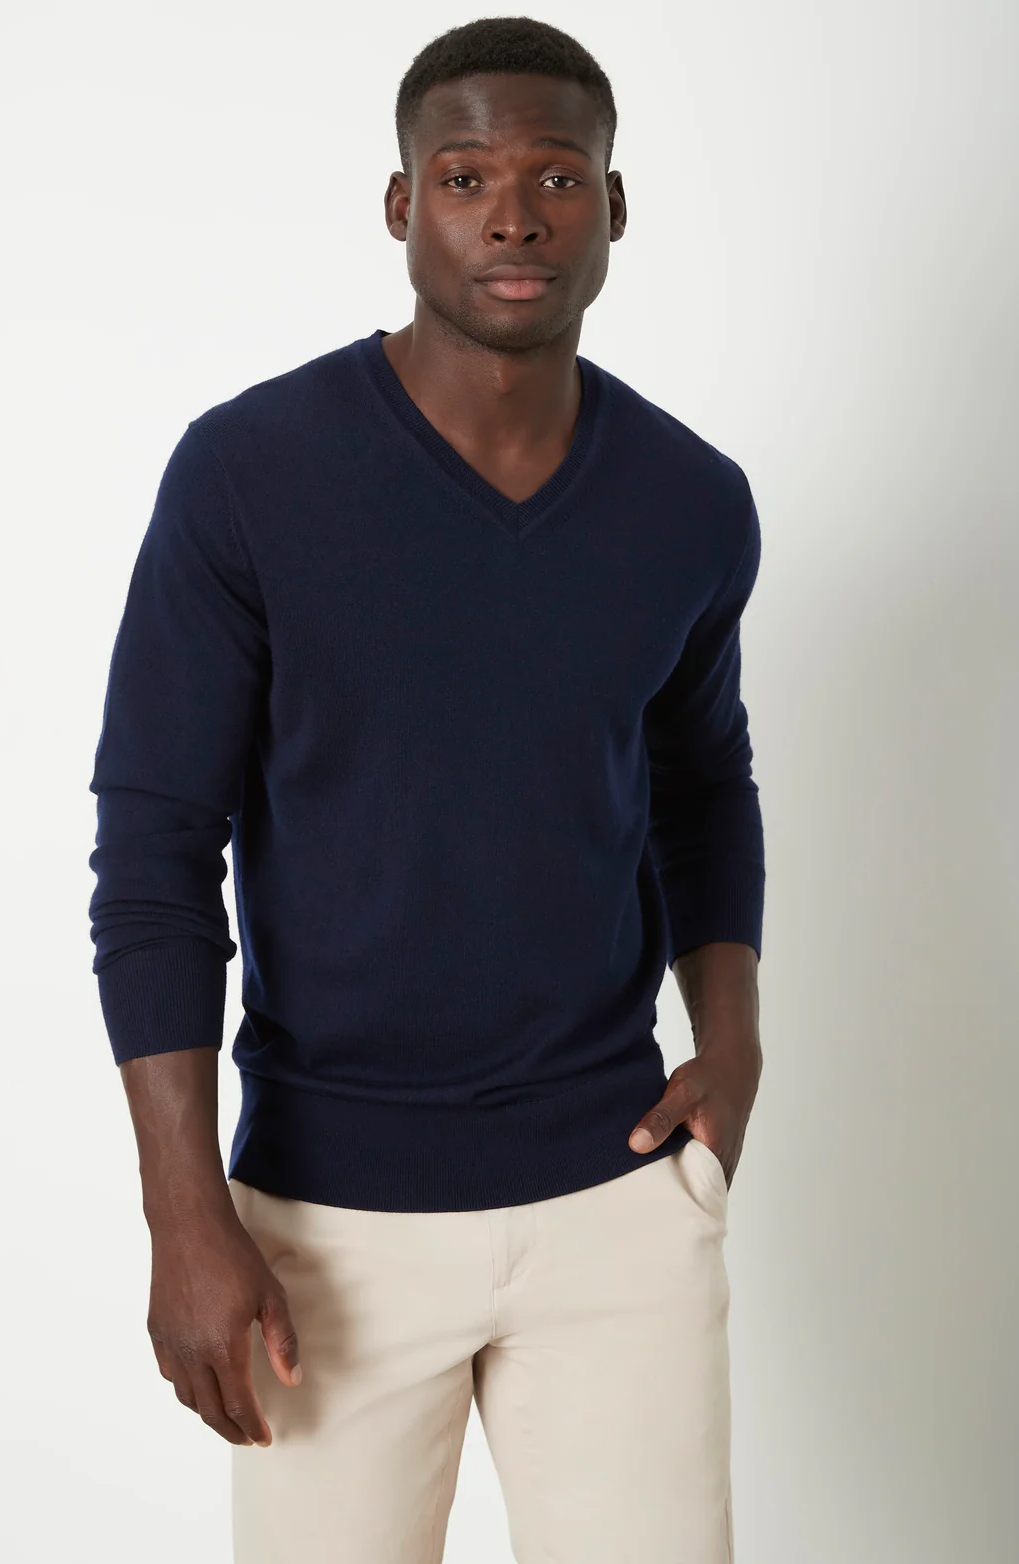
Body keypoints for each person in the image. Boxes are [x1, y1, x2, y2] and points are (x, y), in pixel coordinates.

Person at [87, 15, 765, 1563]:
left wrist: (731, 1042)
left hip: (618, 1203)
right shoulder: (249, 475)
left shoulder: (690, 499)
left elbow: (703, 781)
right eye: (465, 177)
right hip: (328, 1228)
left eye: (556, 177)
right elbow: (156, 853)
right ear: (401, 205)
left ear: (613, 203)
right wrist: (184, 1215)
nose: (513, 216)